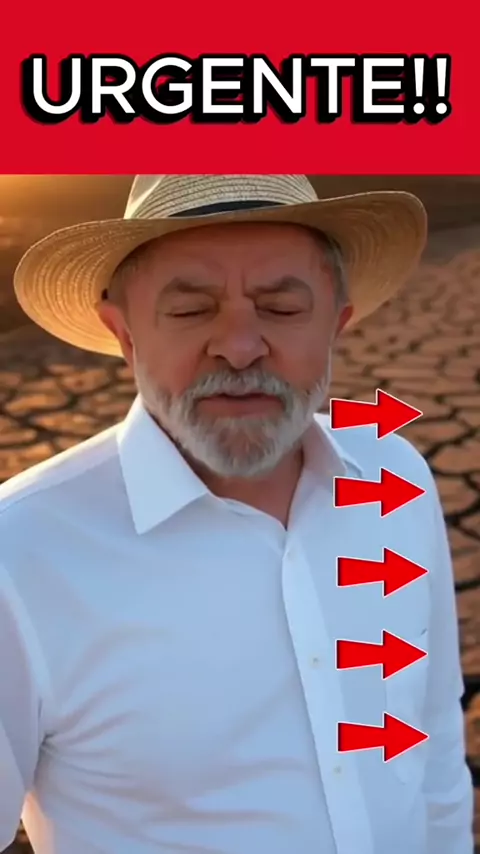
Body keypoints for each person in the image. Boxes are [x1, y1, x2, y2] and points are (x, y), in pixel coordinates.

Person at [0, 174, 473, 854]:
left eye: (282, 307)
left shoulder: (394, 476)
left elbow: (433, 742)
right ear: (124, 333)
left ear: (336, 324)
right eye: (191, 309)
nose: (241, 346)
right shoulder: (21, 554)